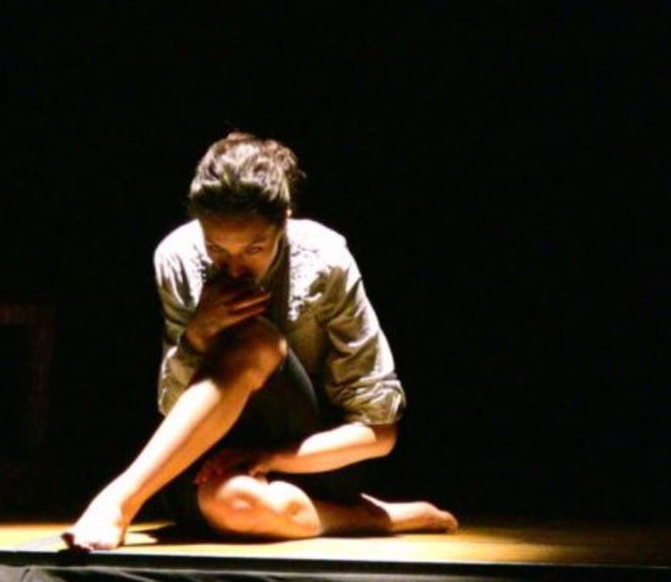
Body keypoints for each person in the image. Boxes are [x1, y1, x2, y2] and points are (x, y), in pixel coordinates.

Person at [62, 132, 457, 551]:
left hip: (309, 458)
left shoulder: (326, 260)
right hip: (205, 463)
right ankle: (378, 518)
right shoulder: (177, 257)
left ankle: (118, 502)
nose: (234, 269)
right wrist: (197, 335)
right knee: (238, 504)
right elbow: (172, 408)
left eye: (253, 249)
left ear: (283, 222)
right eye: (216, 249)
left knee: (253, 337)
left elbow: (379, 433)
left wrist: (272, 457)